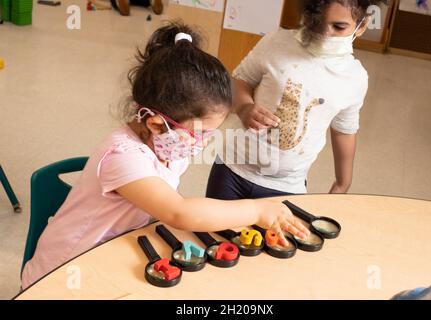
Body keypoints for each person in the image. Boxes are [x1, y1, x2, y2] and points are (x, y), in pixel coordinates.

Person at [21, 22, 309, 289]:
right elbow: (179, 213)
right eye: (200, 134)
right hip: (62, 275)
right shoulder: (123, 158)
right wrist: (258, 210)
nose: (203, 143)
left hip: (111, 255)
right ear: (157, 124)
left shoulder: (168, 143)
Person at [206, 0, 388, 200]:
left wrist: (343, 182)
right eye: (317, 22)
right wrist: (244, 107)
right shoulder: (277, 41)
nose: (325, 33)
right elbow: (240, 81)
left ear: (362, 25)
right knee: (215, 230)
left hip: (286, 186)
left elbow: (344, 132)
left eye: (339, 27)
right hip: (231, 169)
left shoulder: (355, 78)